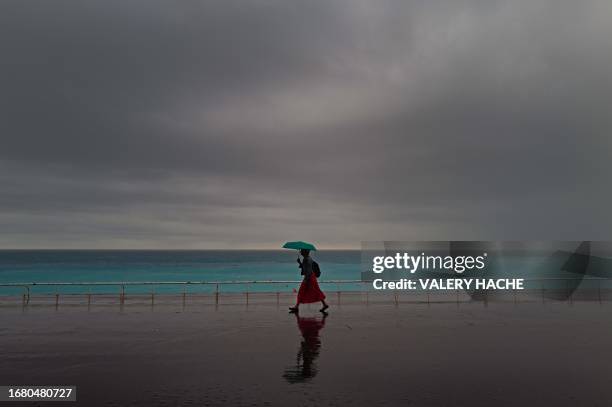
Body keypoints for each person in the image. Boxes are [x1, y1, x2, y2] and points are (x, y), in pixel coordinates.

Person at [289, 249, 329, 313]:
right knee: (316, 291)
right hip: (311, 277)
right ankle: (325, 304)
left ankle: (296, 307)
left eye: (301, 251)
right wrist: (300, 263)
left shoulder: (306, 259)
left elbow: (308, 270)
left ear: (304, 252)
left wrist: (306, 280)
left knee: (302, 291)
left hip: (309, 278)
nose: (300, 252)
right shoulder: (309, 258)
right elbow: (307, 268)